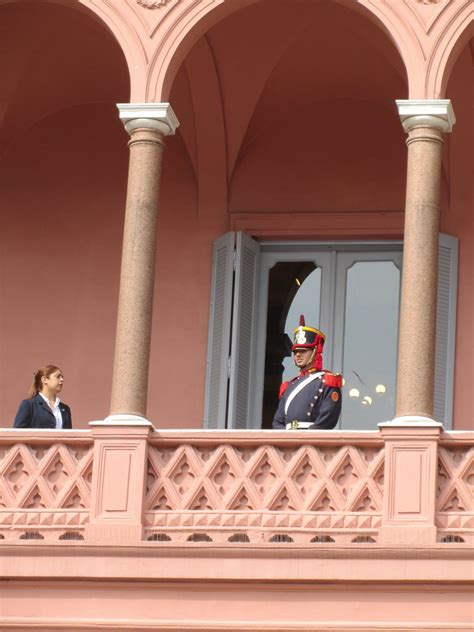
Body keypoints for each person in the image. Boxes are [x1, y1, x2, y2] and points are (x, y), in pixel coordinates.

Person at [272, 316, 342, 430]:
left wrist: (307, 436)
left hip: (311, 440)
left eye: (303, 351)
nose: (298, 355)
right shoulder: (289, 386)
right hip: (288, 441)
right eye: (296, 351)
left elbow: (328, 418)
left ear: (315, 352)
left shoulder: (327, 382)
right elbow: (278, 421)